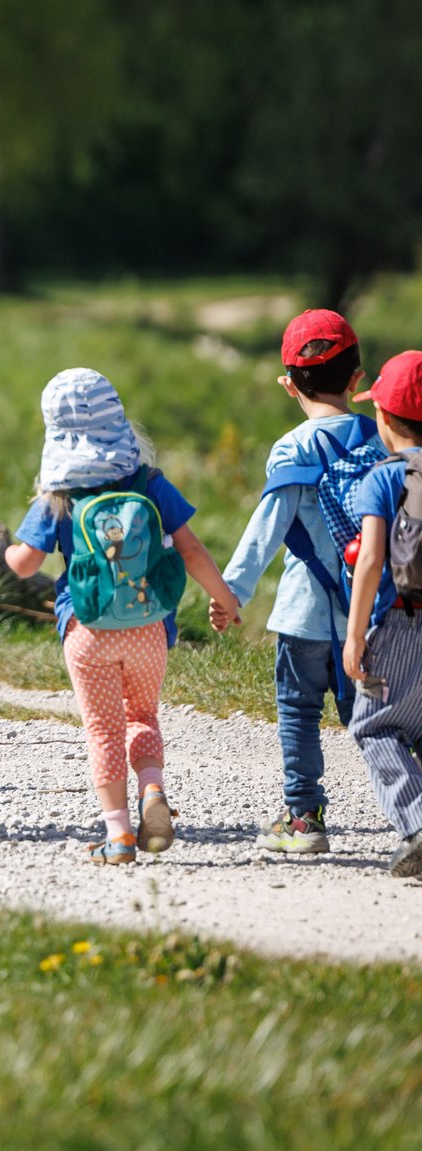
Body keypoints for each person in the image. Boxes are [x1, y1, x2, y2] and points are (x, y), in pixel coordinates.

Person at [3, 368, 239, 864]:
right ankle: (152, 792)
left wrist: (3, 552)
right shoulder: (148, 482)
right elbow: (193, 551)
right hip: (149, 627)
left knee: (103, 731)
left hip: (87, 630)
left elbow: (25, 564)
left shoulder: (59, 497)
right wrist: (226, 599)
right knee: (143, 716)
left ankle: (119, 837)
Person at [221, 309, 381, 854]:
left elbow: (266, 528)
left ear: (289, 386)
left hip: (303, 613)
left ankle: (305, 820)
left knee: (298, 712)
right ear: (357, 380)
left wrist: (231, 592)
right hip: (371, 612)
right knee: (380, 716)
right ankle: (412, 810)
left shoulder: (292, 448)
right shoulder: (378, 437)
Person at [340, 350, 422, 877]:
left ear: (385, 419)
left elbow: (370, 560)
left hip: (397, 621)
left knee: (374, 726)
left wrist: (353, 635)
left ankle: (417, 824)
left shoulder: (384, 478)